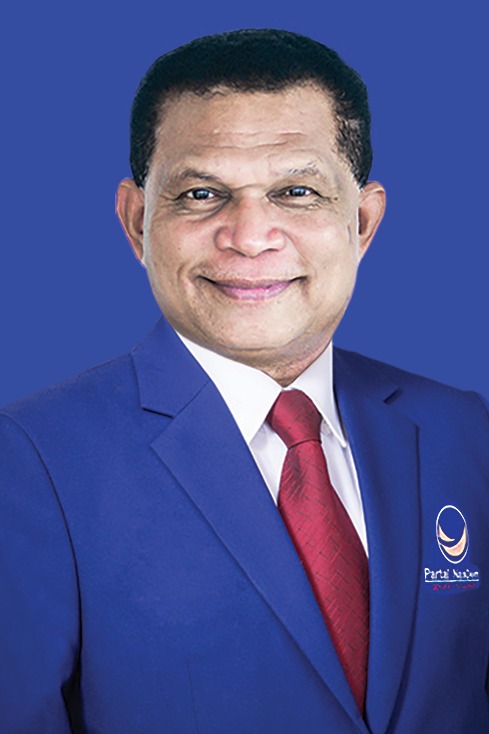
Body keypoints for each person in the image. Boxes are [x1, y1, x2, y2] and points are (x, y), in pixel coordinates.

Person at [0, 28, 488, 734]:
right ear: (137, 223)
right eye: (202, 193)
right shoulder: (29, 459)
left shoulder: (463, 430)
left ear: (362, 221)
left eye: (296, 191)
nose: (250, 235)